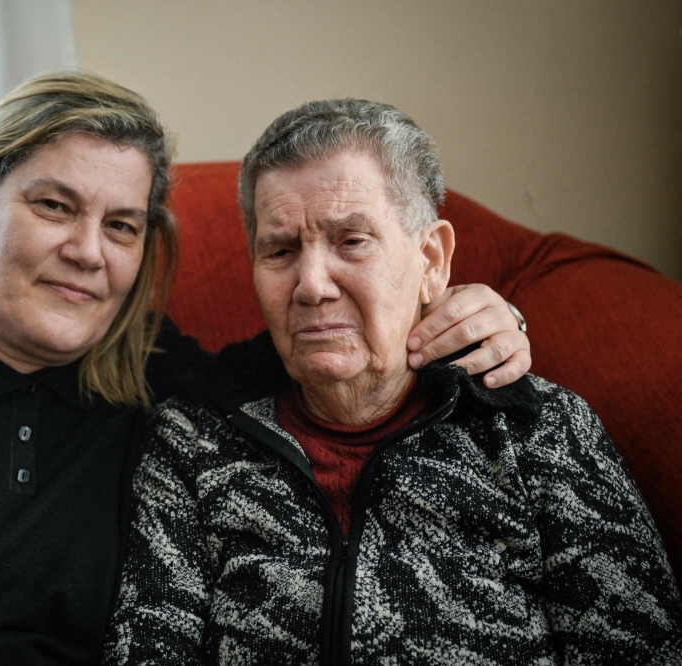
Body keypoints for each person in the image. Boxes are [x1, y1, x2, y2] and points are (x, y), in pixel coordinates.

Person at [0, 75, 532, 665]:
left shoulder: (143, 381)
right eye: (55, 206)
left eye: (121, 226)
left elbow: (321, 349)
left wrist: (469, 316)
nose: (88, 252)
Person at [103, 98, 682, 665]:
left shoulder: (539, 432)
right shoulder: (192, 443)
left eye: (351, 241)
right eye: (280, 250)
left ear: (431, 260)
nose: (312, 285)